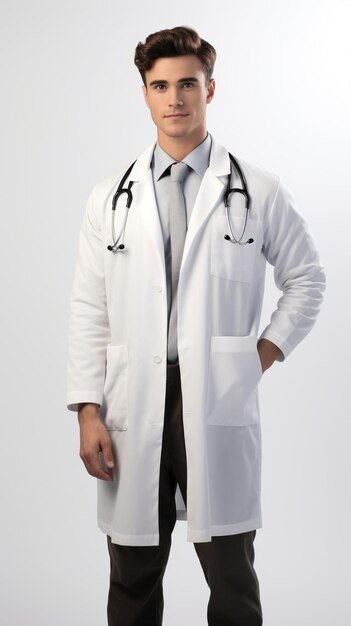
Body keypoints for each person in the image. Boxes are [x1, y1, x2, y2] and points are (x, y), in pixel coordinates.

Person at [66, 25, 326, 626]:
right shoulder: (110, 199)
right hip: (131, 398)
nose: (175, 98)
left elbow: (308, 279)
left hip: (214, 395)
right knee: (132, 569)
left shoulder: (257, 190)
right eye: (161, 85)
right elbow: (88, 308)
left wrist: (259, 355)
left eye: (188, 83)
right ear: (145, 94)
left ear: (211, 88)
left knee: (231, 571)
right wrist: (87, 411)